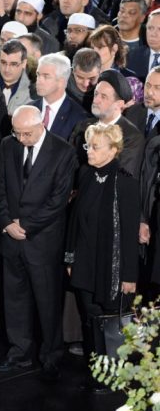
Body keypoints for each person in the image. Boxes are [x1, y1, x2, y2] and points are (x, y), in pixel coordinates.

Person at [0, 105, 78, 381]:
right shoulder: (7, 145)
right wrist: (7, 223)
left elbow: (58, 200)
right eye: (17, 133)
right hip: (11, 238)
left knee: (47, 301)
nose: (21, 139)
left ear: (40, 126)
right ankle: (19, 352)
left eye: (26, 134)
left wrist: (26, 226)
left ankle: (51, 354)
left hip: (42, 241)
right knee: (14, 300)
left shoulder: (63, 151)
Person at [64, 123, 139, 393]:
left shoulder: (125, 182)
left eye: (95, 147)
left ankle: (115, 376)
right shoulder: (85, 174)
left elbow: (130, 234)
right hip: (85, 262)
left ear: (113, 150)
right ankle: (98, 371)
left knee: (111, 323)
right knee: (91, 319)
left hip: (112, 266)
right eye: (87, 146)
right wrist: (71, 259)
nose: (89, 152)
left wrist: (129, 276)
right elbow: (74, 221)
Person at [69, 70, 145, 178]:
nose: (96, 100)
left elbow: (122, 175)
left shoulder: (131, 137)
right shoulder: (83, 126)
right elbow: (69, 162)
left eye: (103, 97)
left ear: (119, 104)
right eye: (96, 94)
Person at [32, 53, 89, 140]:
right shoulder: (30, 108)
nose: (39, 81)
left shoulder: (79, 117)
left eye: (46, 76)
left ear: (61, 81)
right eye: (38, 75)